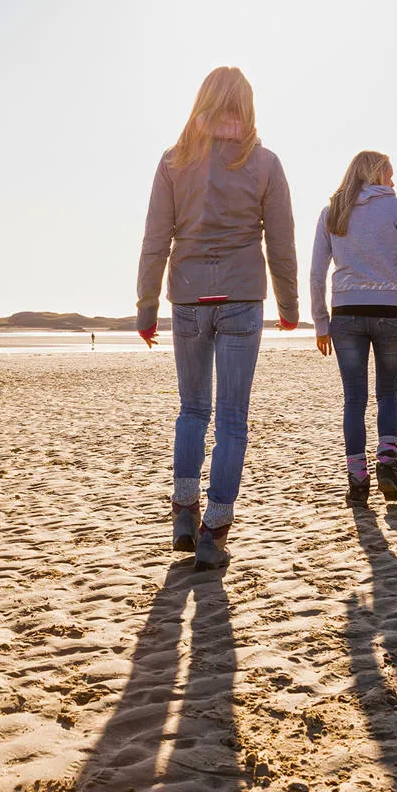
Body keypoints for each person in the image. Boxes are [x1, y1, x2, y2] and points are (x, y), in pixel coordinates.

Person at [137, 66, 299, 570]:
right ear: (246, 106)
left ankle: (183, 511)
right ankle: (214, 531)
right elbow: (281, 242)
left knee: (192, 411)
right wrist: (290, 306)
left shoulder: (173, 161)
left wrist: (146, 309)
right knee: (231, 419)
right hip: (242, 298)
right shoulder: (265, 162)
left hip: (187, 298)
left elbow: (154, 242)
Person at [310, 150, 397, 509]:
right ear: (378, 174)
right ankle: (387, 467)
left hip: (346, 314)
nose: (394, 181)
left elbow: (315, 274)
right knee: (388, 393)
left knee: (354, 399)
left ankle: (358, 482)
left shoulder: (332, 212)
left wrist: (320, 323)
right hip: (393, 311)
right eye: (391, 173)